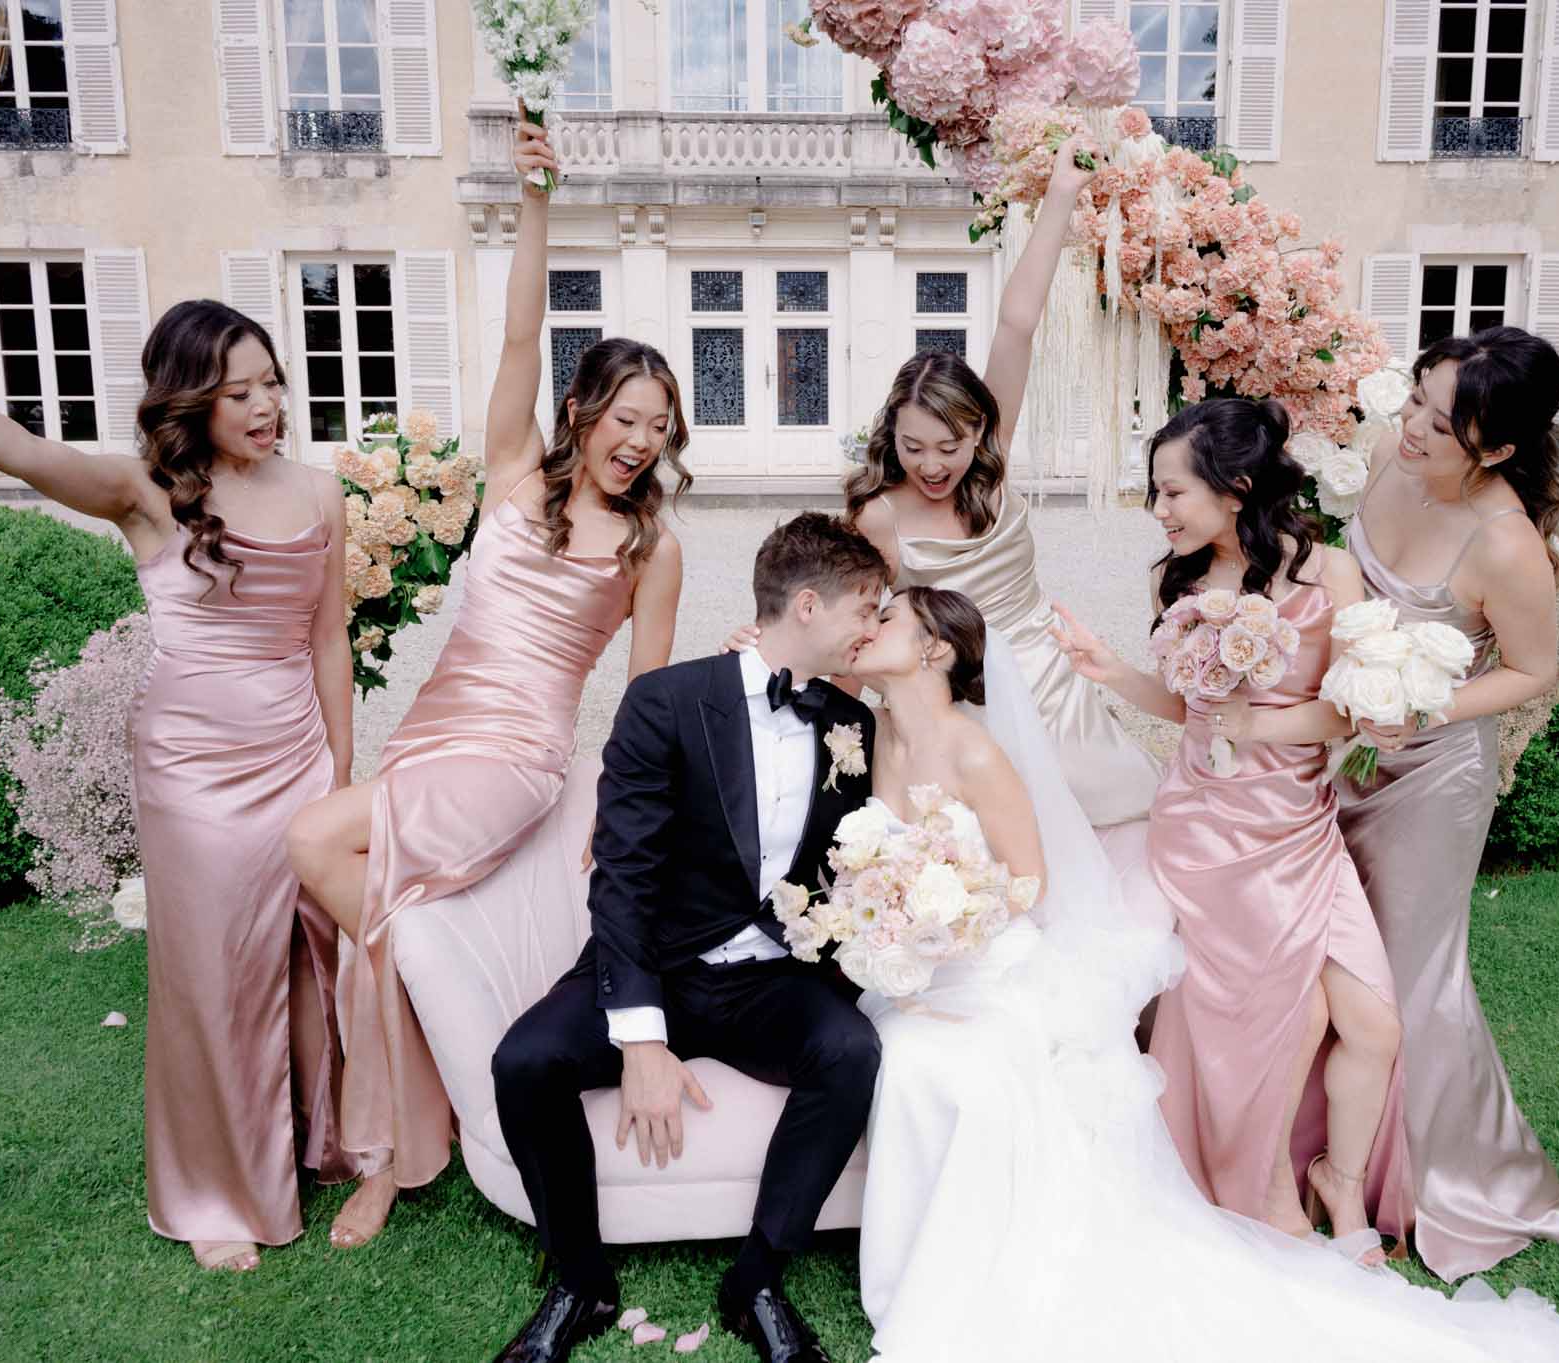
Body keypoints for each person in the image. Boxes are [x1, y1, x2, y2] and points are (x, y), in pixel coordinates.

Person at [845, 580, 1559, 1363]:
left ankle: (1294, 1189)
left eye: (886, 614)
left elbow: (1025, 880)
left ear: (936, 649)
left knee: (1347, 1020)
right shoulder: (889, 727)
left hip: (1006, 940)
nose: (869, 622)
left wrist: (941, 916)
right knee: (921, 1047)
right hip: (930, 949)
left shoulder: (976, 749)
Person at [0, 305, 355, 1273]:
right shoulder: (144, 491)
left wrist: (338, 767)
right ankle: (215, 1193)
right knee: (210, 974)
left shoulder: (321, 493)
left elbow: (328, 638)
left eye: (271, 383)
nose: (264, 405)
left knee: (304, 953)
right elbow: (16, 448)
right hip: (192, 770)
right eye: (237, 391)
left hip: (294, 753)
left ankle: (308, 1142)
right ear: (189, 401)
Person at [283, 112, 688, 1248]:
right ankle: (406, 1135)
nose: (641, 441)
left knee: (314, 842)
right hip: (434, 728)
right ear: (580, 412)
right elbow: (519, 337)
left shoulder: (652, 548)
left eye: (659, 428)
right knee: (387, 936)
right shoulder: (511, 473)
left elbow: (648, 700)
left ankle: (398, 1141)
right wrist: (537, 202)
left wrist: (619, 816)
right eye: (625, 417)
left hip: (512, 757)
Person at [485, 513, 888, 1363]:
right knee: (524, 1062)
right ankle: (580, 1280)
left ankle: (758, 1279)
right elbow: (622, 875)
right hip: (658, 965)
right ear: (808, 605)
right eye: (867, 607)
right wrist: (640, 1035)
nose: (873, 627)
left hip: (768, 979)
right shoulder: (666, 701)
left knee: (850, 1050)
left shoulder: (856, 724)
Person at [1052, 398, 1409, 1263]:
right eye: (1156, 494)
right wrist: (1112, 672)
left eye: (1173, 493)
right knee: (1281, 1024)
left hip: (1302, 827)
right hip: (1213, 834)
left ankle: (1340, 1178)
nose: (1161, 512)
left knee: (1375, 1026)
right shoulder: (1175, 584)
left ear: (1237, 487)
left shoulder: (1331, 574)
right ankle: (1270, 1197)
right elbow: (1188, 711)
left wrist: (1259, 727)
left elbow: (1346, 712)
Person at [729, 137, 1163, 830]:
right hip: (955, 694)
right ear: (890, 438)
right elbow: (854, 615)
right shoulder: (879, 514)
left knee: (1105, 814)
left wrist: (1058, 197)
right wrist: (775, 656)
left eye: (949, 447)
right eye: (913, 448)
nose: (933, 466)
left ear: (978, 434)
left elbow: (1017, 324)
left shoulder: (992, 468)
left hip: (1049, 679)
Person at [1333, 327, 1559, 1279]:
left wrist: (1418, 704)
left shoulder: (1504, 543)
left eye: (1441, 423)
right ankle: (1324, 1138)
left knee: (1406, 972)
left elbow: (1533, 671)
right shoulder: (1393, 459)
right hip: (1342, 744)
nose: (1413, 431)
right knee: (1331, 946)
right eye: (1416, 403)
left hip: (1432, 778)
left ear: (1500, 449)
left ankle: (1435, 1175)